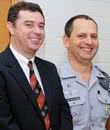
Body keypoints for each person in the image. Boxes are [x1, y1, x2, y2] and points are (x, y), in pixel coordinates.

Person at [0, 2, 72, 130]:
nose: (38, 31)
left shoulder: (50, 69)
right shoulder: (2, 67)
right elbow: (4, 122)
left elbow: (63, 112)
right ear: (11, 27)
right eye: (29, 25)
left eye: (41, 26)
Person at [58, 15, 110, 130]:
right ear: (66, 41)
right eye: (81, 36)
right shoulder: (53, 79)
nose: (89, 42)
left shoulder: (106, 80)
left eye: (94, 36)